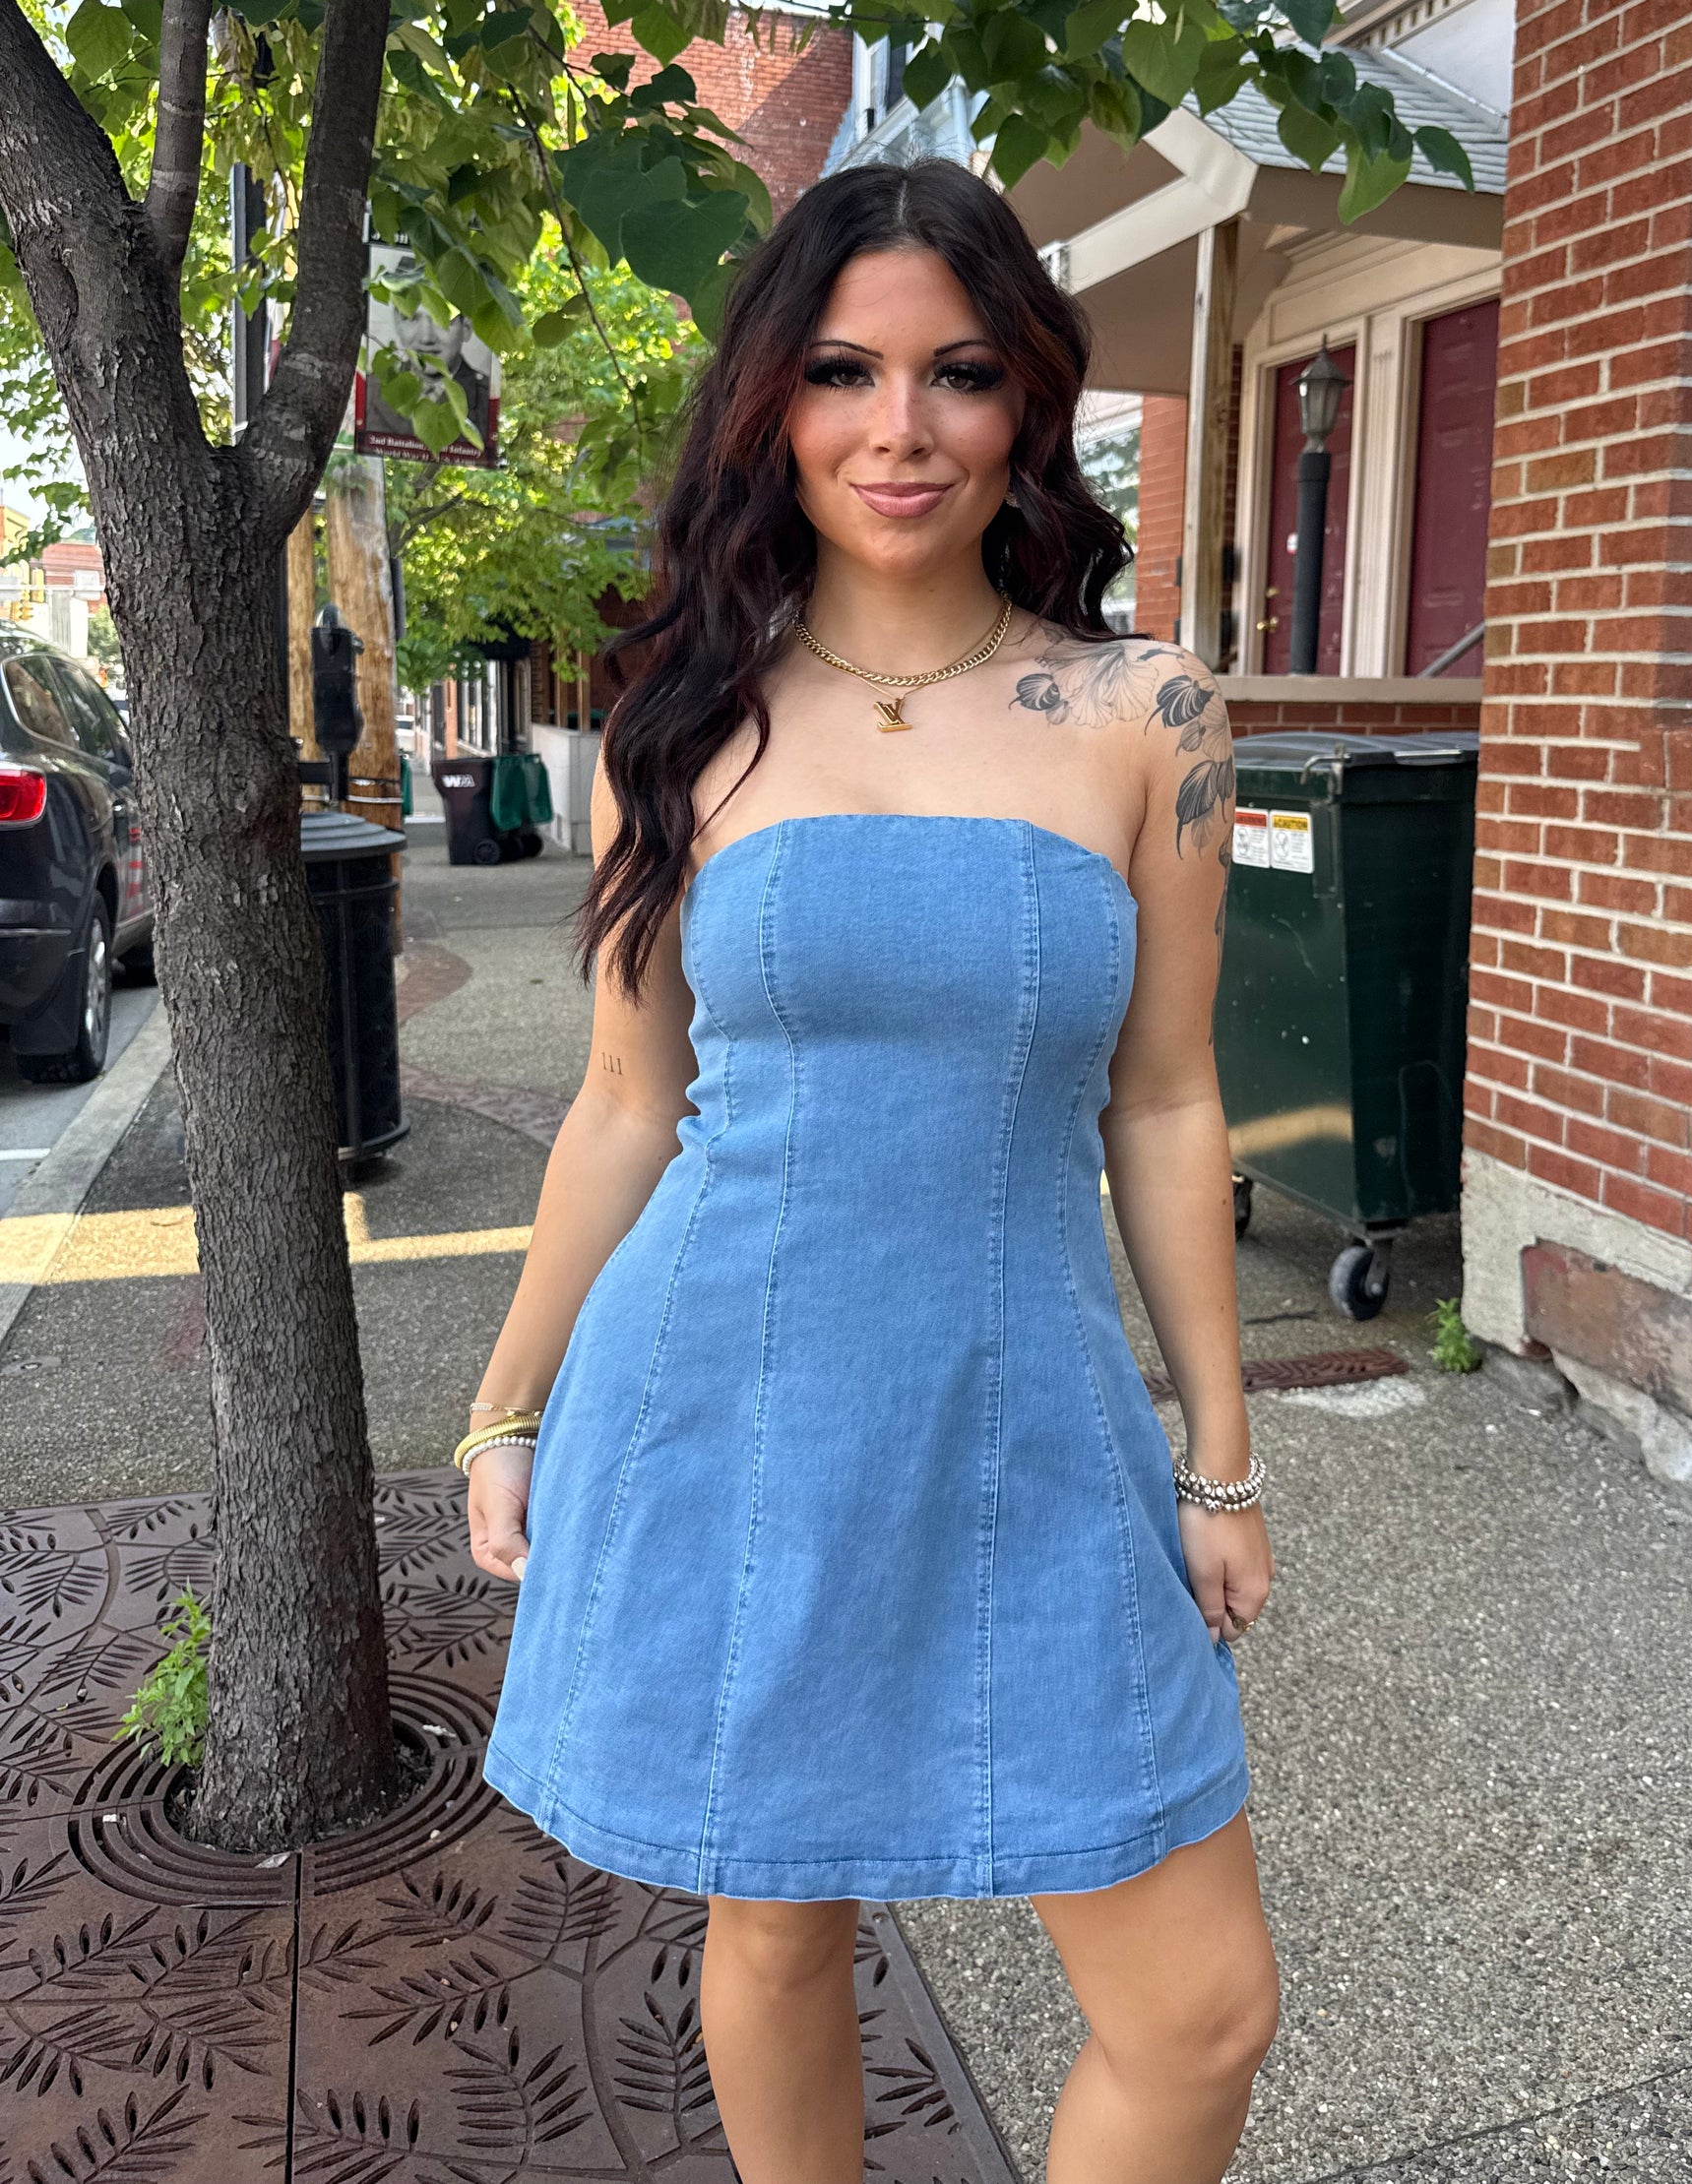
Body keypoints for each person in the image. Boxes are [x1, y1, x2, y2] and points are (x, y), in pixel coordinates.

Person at [461, 158, 1281, 2183]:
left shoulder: (1147, 712)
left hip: (1028, 1409)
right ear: (773, 398)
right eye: (841, 370)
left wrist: (1219, 1454)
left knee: (1197, 2009)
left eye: (957, 372)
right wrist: (503, 1404)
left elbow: (1166, 1099)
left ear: (1027, 405)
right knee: (776, 1916)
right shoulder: (675, 726)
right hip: (726, 1399)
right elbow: (625, 1104)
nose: (898, 428)